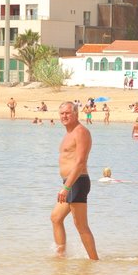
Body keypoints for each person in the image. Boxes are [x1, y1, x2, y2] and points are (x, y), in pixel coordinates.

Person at [51, 101, 99, 260]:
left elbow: (80, 162)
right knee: (56, 218)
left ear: (76, 114)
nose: (64, 116)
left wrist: (66, 187)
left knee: (81, 226)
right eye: (62, 113)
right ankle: (61, 256)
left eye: (67, 113)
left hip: (77, 182)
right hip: (70, 183)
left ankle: (94, 260)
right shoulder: (68, 133)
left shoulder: (81, 132)